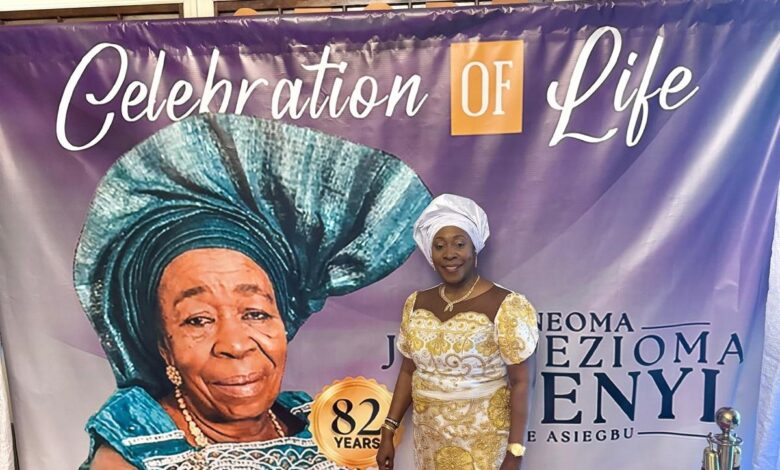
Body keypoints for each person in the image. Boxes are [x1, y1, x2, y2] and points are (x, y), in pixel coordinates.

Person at [73, 113, 431, 469]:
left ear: (283, 322)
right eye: (198, 320)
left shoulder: (318, 426)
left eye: (256, 313)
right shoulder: (136, 445)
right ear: (164, 347)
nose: (235, 344)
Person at [376, 194, 539, 470]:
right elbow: (408, 371)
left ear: (474, 249)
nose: (449, 253)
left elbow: (522, 382)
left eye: (459, 244)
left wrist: (514, 453)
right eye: (439, 246)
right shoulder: (416, 303)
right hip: (430, 440)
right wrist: (388, 431)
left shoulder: (507, 305)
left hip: (484, 444)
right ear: (431, 254)